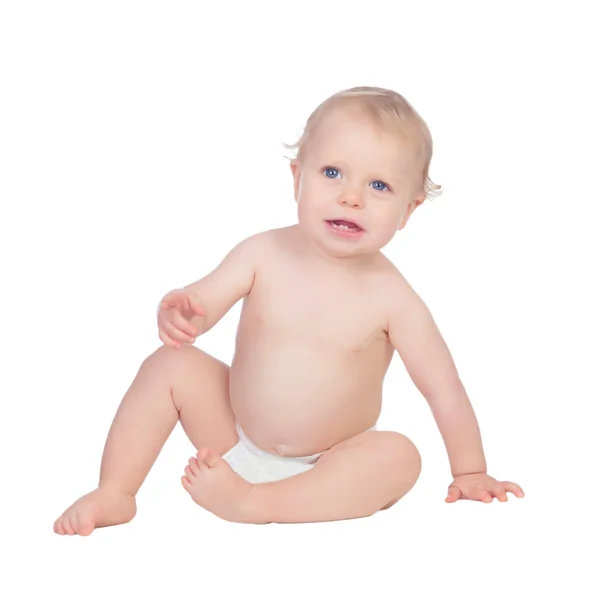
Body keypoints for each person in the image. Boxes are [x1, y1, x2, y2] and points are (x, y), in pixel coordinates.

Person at [53, 86, 524, 535]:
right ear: (298, 178)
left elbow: (444, 389)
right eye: (333, 173)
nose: (351, 197)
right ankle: (116, 491)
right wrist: (180, 312)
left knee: (399, 456)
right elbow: (203, 305)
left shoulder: (394, 299)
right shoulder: (262, 253)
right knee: (169, 366)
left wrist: (471, 470)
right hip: (232, 436)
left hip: (330, 466)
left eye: (379, 185)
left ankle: (256, 504)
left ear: (408, 210)